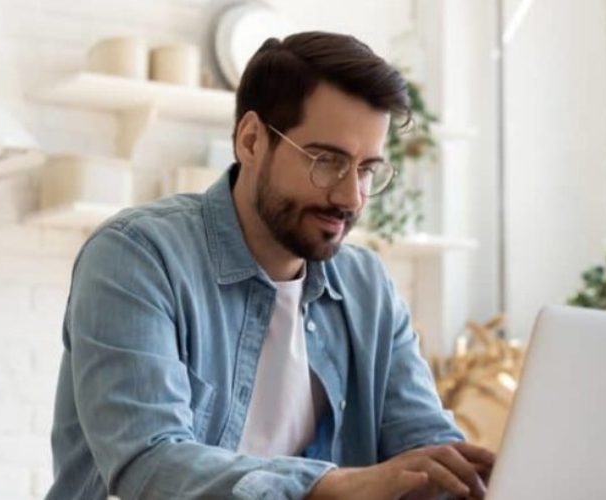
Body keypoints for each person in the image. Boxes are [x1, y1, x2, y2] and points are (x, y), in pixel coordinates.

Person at [46, 31, 494, 500]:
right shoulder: (136, 256)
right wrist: (331, 487)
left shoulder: (367, 287)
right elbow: (148, 462)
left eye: (366, 170)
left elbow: (423, 442)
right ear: (252, 140)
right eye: (326, 160)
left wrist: (474, 478)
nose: (350, 197)